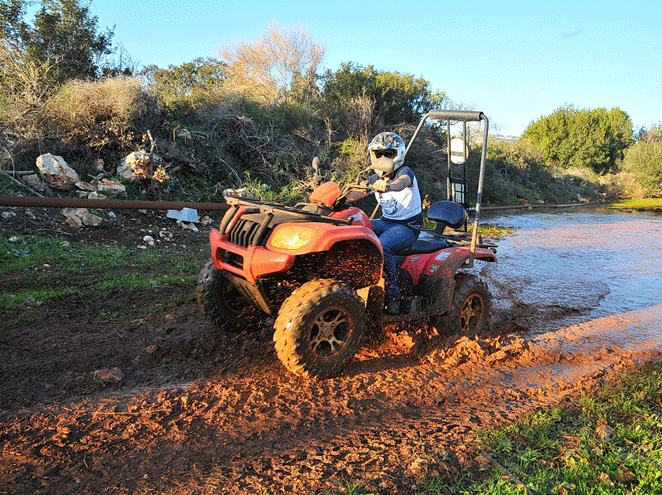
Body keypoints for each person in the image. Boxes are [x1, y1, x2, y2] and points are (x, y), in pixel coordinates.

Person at [347, 132, 423, 314]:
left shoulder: (404, 172)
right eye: (379, 154)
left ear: (397, 155)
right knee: (354, 228)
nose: (383, 158)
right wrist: (339, 197)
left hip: (408, 227)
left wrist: (388, 186)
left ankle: (392, 297)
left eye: (388, 154)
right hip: (386, 222)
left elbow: (402, 183)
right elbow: (356, 193)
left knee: (383, 246)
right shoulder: (374, 178)